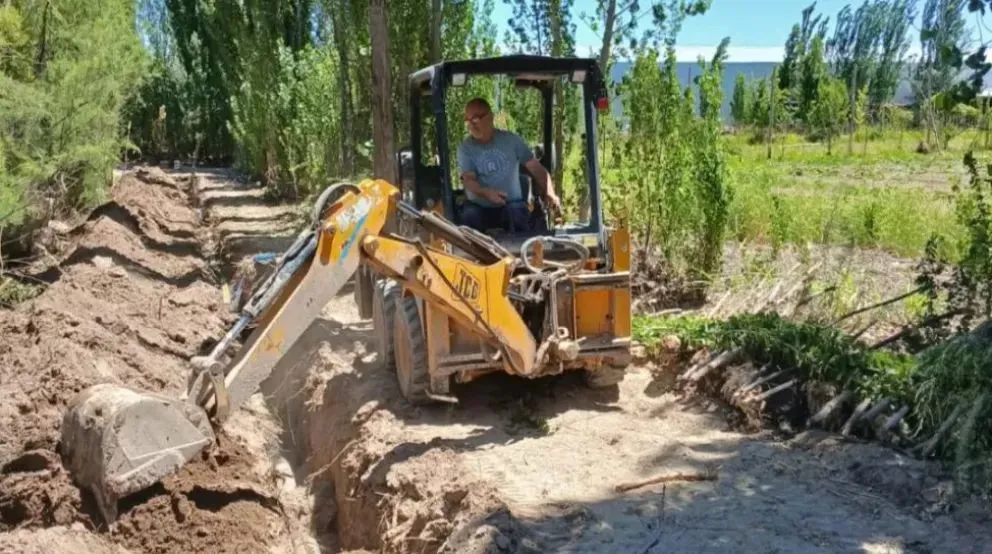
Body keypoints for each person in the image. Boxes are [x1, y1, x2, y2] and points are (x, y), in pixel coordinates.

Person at [456, 97, 560, 233]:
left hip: (511, 205)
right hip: (479, 207)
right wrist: (486, 192)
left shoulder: (511, 141)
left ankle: (524, 252)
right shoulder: (465, 149)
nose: (471, 125)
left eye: (475, 119)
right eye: (468, 121)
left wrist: (550, 192)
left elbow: (536, 168)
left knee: (517, 214)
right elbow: (468, 180)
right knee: (470, 217)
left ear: (490, 117)